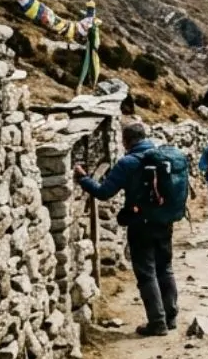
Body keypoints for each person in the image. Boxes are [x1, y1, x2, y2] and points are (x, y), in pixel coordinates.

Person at [74, 121, 187, 336]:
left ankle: (157, 322)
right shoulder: (162, 156)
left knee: (146, 272)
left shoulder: (127, 163)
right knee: (165, 268)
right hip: (164, 221)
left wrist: (83, 178)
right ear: (144, 137)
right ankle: (171, 317)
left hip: (140, 224)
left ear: (126, 141)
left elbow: (104, 192)